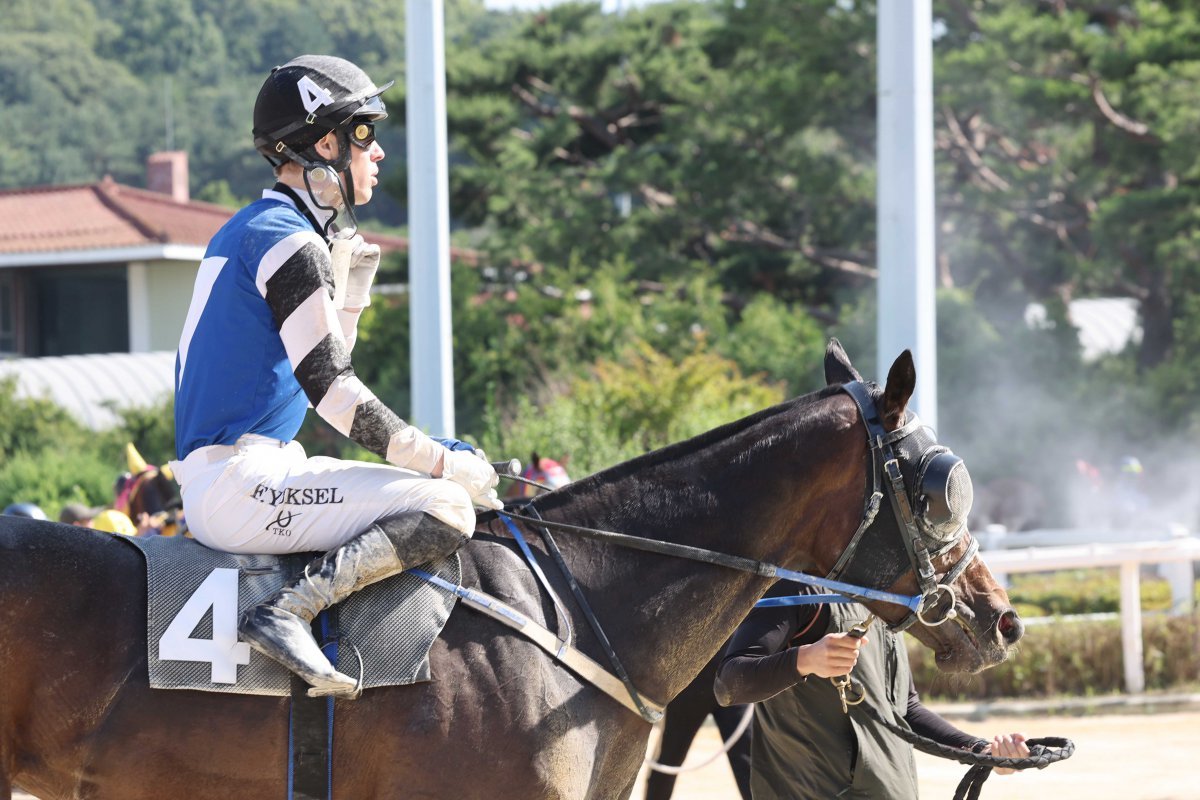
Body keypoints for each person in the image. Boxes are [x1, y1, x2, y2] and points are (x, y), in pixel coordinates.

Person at [170, 54, 502, 699]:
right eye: (364, 133)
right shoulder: (291, 242)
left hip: (240, 473)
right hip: (243, 483)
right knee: (446, 504)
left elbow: (312, 370)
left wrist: (348, 301)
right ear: (325, 144)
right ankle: (287, 612)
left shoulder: (252, 226)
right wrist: (440, 462)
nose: (376, 152)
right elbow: (333, 393)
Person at [715, 582, 1030, 799]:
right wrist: (805, 659)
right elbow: (729, 684)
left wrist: (981, 751)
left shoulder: (885, 600)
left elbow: (905, 711)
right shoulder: (796, 588)